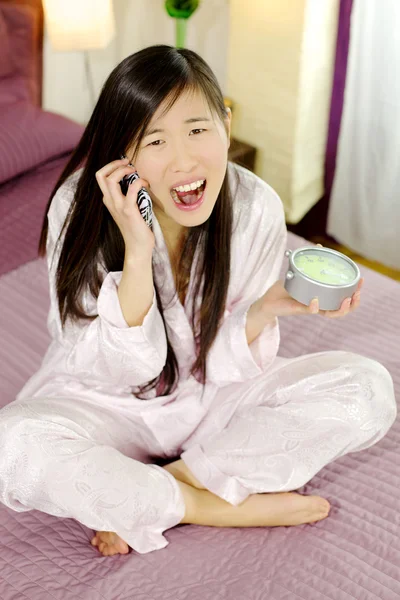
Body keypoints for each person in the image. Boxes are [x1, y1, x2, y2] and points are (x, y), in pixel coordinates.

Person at [0, 45, 396, 558]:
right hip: (107, 404)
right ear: (122, 153)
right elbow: (113, 371)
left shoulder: (255, 206)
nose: (184, 159)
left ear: (225, 124)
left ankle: (173, 483)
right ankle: (205, 505)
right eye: (154, 140)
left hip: (211, 396)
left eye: (197, 129)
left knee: (368, 388)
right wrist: (137, 250)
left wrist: (270, 306)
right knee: (13, 441)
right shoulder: (77, 211)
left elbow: (225, 360)